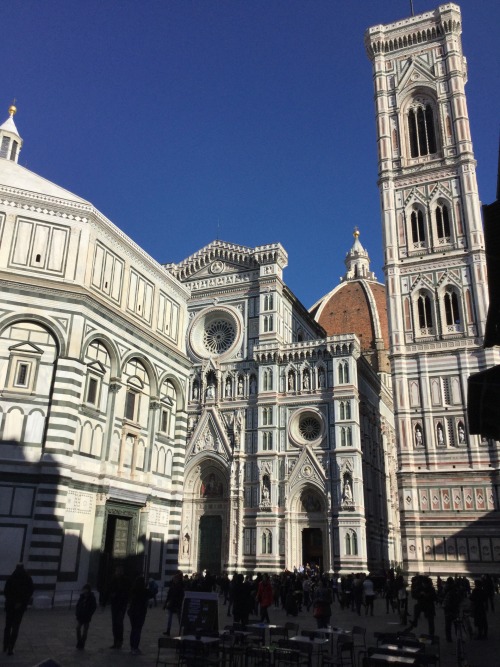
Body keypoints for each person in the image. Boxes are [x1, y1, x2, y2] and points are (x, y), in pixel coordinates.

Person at [3, 563, 34, 655]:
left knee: (8, 626)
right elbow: (30, 591)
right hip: (20, 607)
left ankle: (5, 645)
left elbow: (6, 591)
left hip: (10, 606)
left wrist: (11, 601)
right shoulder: (27, 579)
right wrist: (21, 602)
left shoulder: (11, 578)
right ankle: (11, 647)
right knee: (15, 627)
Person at [106, 565, 131, 649]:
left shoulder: (126, 580)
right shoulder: (113, 580)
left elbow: (128, 591)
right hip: (114, 604)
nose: (118, 573)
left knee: (119, 623)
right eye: (117, 571)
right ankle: (115, 641)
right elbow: (109, 589)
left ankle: (119, 641)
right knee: (114, 623)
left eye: (119, 571)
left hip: (122, 604)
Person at [128, 575, 152, 655]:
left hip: (132, 612)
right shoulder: (144, 591)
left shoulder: (133, 590)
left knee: (133, 629)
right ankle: (135, 647)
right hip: (140, 612)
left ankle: (132, 647)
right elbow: (152, 593)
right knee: (138, 630)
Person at [75, 584, 97, 650]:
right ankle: (79, 641)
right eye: (84, 589)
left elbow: (93, 607)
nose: (84, 590)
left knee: (85, 631)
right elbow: (78, 605)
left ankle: (82, 643)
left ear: (88, 589)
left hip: (87, 617)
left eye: (86, 589)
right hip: (80, 616)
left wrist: (89, 614)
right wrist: (77, 612)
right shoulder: (82, 597)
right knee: (78, 628)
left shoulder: (92, 597)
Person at [163, 571, 184, 636]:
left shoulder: (179, 587)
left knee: (179, 618)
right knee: (171, 618)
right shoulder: (173, 586)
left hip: (176, 604)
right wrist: (166, 603)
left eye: (175, 579)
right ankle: (168, 630)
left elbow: (180, 596)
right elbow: (169, 595)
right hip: (172, 604)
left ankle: (181, 631)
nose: (174, 580)